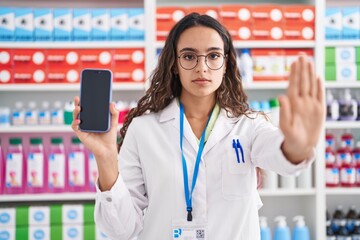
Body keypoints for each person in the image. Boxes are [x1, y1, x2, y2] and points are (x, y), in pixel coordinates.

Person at [72, 13, 324, 240]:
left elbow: (280, 156)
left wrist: (297, 147)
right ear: (174, 63)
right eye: (189, 56)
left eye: (213, 55)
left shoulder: (248, 126)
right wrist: (106, 159)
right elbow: (121, 230)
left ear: (225, 64)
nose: (202, 67)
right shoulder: (143, 130)